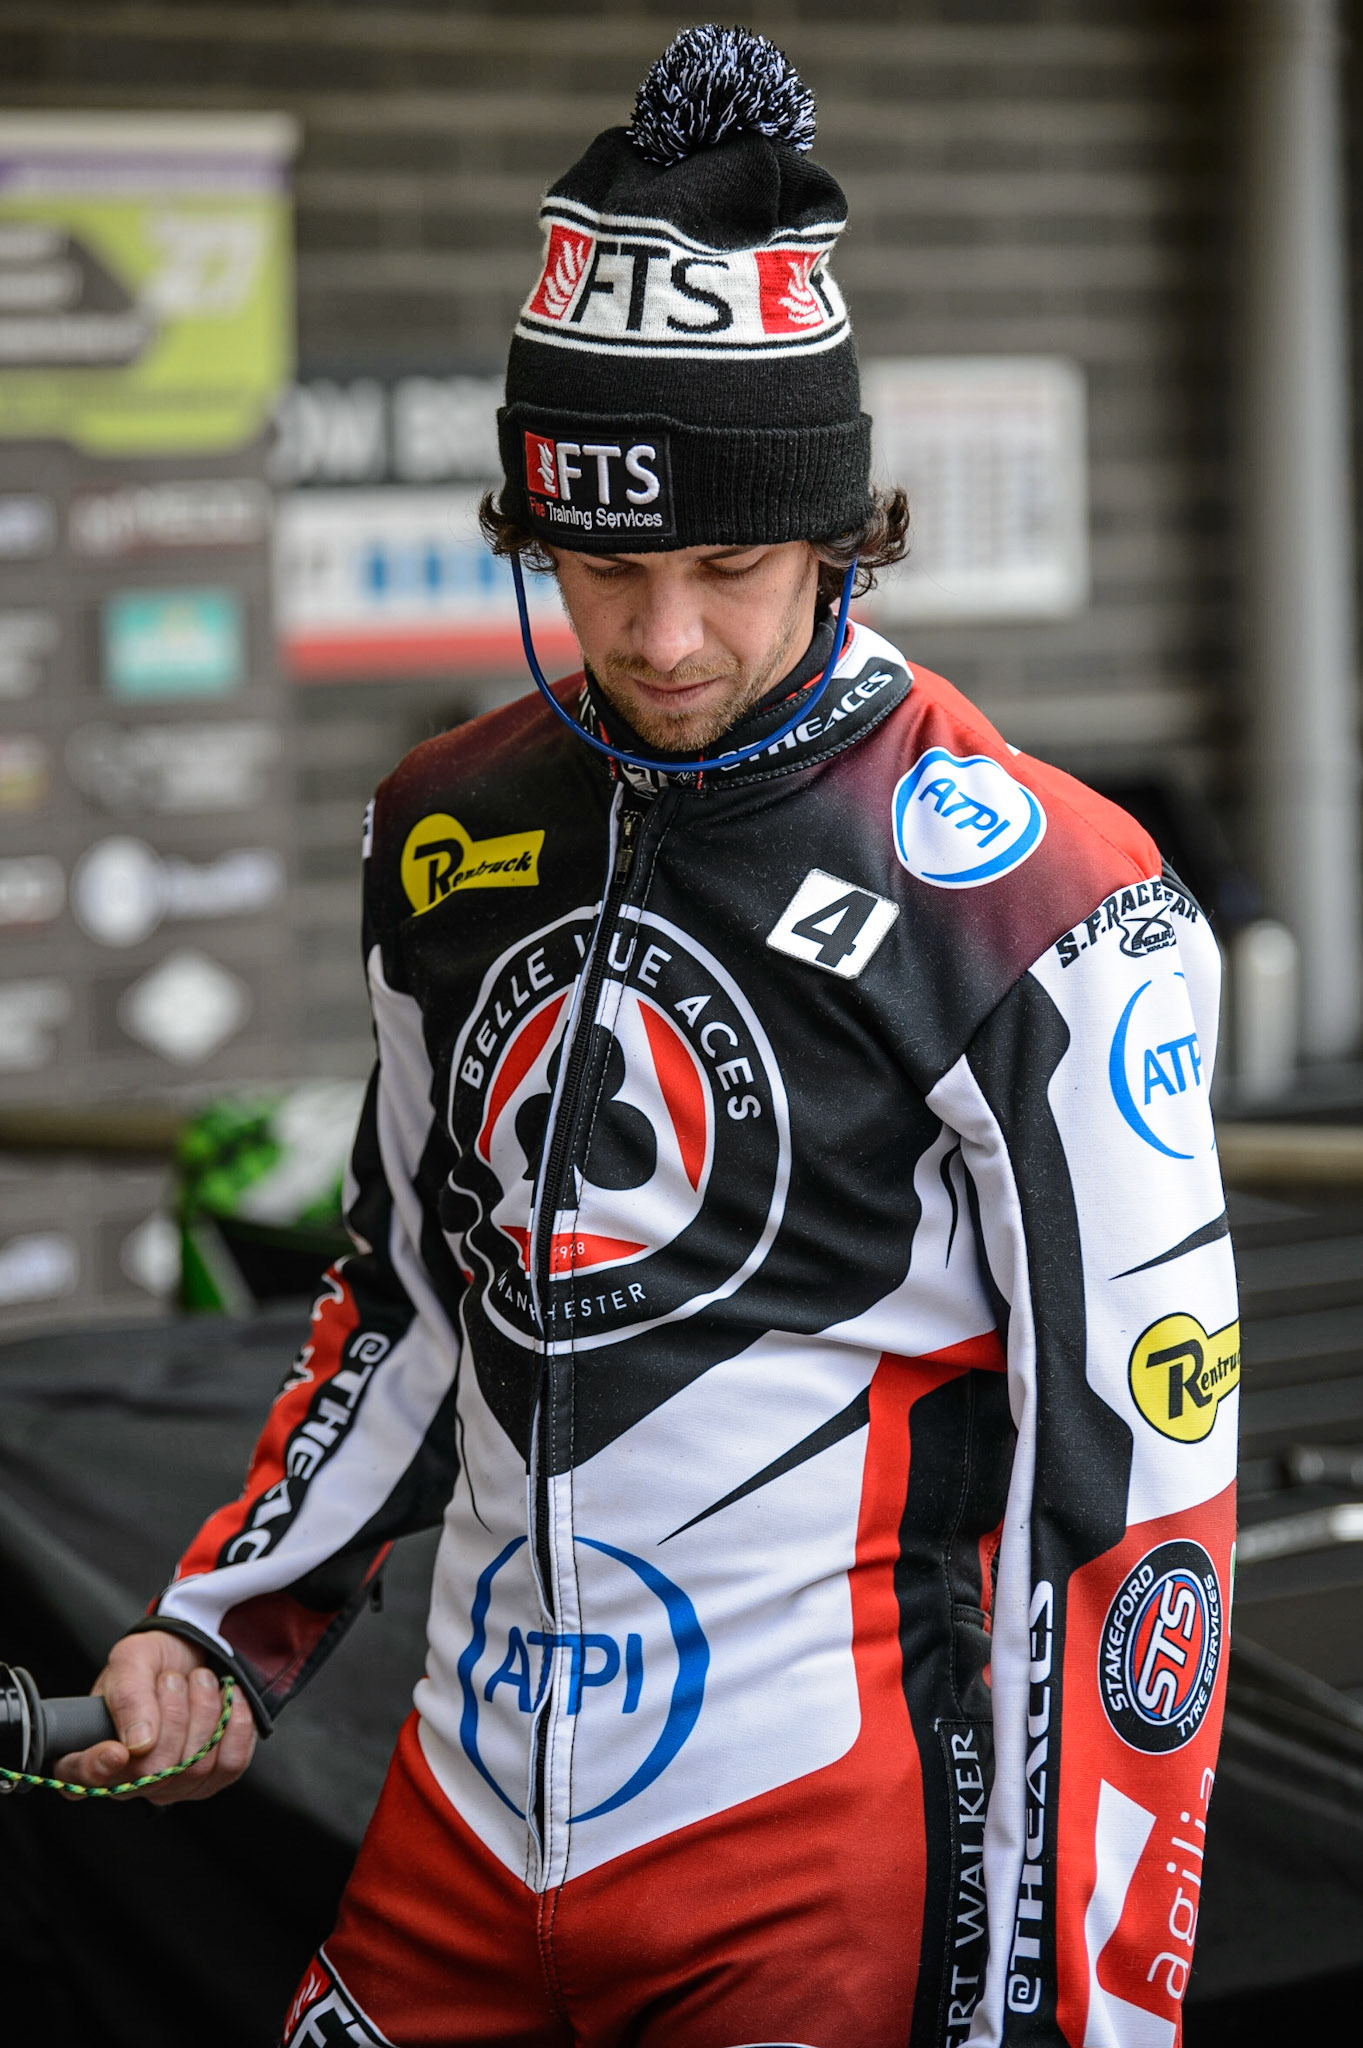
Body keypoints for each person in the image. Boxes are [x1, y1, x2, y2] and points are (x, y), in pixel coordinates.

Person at [61, 26, 1238, 2048]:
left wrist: (1079, 2008)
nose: (668, 635)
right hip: (460, 1819)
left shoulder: (1039, 889)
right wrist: (223, 1626)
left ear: (847, 532)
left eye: (732, 565)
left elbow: (1130, 1494)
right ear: (531, 535)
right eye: (608, 567)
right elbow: (414, 1290)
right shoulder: (447, 823)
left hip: (812, 1860)